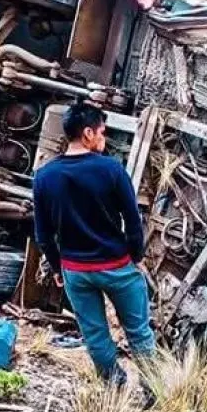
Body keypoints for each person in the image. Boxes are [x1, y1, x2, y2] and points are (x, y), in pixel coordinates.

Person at [32, 101, 155, 385]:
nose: (104, 137)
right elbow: (133, 220)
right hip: (117, 266)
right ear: (88, 133)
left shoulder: (44, 177)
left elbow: (43, 235)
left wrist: (56, 267)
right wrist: (136, 255)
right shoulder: (111, 169)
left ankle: (113, 381)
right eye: (102, 131)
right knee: (138, 331)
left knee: (95, 332)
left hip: (75, 271)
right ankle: (153, 389)